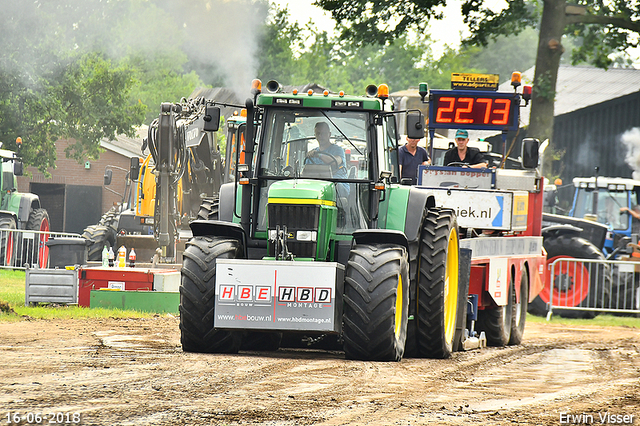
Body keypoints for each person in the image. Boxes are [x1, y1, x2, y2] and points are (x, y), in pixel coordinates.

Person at [305, 121, 349, 195]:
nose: (320, 136)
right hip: (317, 185)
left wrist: (319, 155)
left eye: (323, 133)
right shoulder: (312, 154)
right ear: (315, 135)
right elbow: (306, 172)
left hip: (337, 185)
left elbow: (336, 161)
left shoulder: (338, 150)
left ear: (329, 134)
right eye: (318, 133)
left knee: (334, 187)